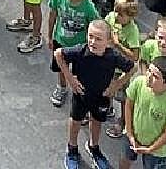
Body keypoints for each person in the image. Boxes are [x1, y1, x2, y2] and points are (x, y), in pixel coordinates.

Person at [54, 18, 134, 169]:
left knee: (97, 121)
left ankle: (93, 147)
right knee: (75, 121)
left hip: (102, 97)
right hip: (81, 95)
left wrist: (116, 85)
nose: (93, 42)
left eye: (98, 39)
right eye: (90, 36)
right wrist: (70, 78)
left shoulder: (113, 56)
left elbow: (132, 68)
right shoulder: (80, 51)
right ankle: (72, 148)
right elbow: (58, 54)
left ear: (108, 41)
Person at [49, 0, 101, 107]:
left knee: (80, 71)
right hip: (60, 41)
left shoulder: (89, 8)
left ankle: (78, 92)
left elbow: (95, 26)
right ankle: (62, 87)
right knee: (60, 67)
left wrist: (92, 45)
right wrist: (50, 36)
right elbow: (53, 15)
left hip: (79, 46)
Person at [120, 56, 166, 169]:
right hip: (132, 135)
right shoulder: (139, 82)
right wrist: (129, 132)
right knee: (126, 159)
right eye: (149, 70)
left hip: (156, 150)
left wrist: (150, 149)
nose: (148, 76)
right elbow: (129, 105)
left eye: (155, 76)